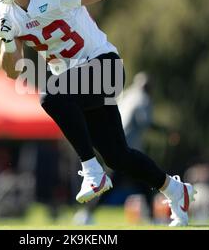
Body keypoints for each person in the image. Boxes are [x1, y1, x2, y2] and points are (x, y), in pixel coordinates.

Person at [0, 0, 196, 226]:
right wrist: (8, 43)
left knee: (51, 97)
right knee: (119, 157)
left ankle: (91, 170)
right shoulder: (3, 15)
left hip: (104, 66)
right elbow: (11, 70)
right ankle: (175, 189)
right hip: (77, 84)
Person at [72, 72, 180, 224]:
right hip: (125, 152)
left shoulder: (128, 95)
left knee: (142, 183)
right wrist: (166, 132)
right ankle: (86, 214)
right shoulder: (142, 99)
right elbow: (144, 122)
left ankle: (152, 218)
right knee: (114, 185)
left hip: (116, 146)